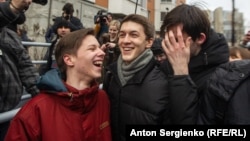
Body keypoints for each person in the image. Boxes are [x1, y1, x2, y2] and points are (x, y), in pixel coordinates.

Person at [4, 28, 112, 141]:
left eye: (99, 48)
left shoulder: (102, 99)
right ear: (69, 60)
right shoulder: (35, 111)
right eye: (92, 49)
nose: (102, 53)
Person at [102, 14, 197, 141]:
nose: (125, 40)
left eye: (134, 35)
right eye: (122, 34)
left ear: (149, 42)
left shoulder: (163, 82)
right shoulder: (111, 75)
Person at [160, 4, 229, 124]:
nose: (169, 48)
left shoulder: (220, 77)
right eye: (167, 39)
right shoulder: (165, 66)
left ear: (200, 38)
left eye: (176, 40)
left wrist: (181, 73)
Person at [0, 0, 40, 140]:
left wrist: (44, 99)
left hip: (6, 115)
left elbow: (27, 69)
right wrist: (13, 7)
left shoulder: (10, 36)